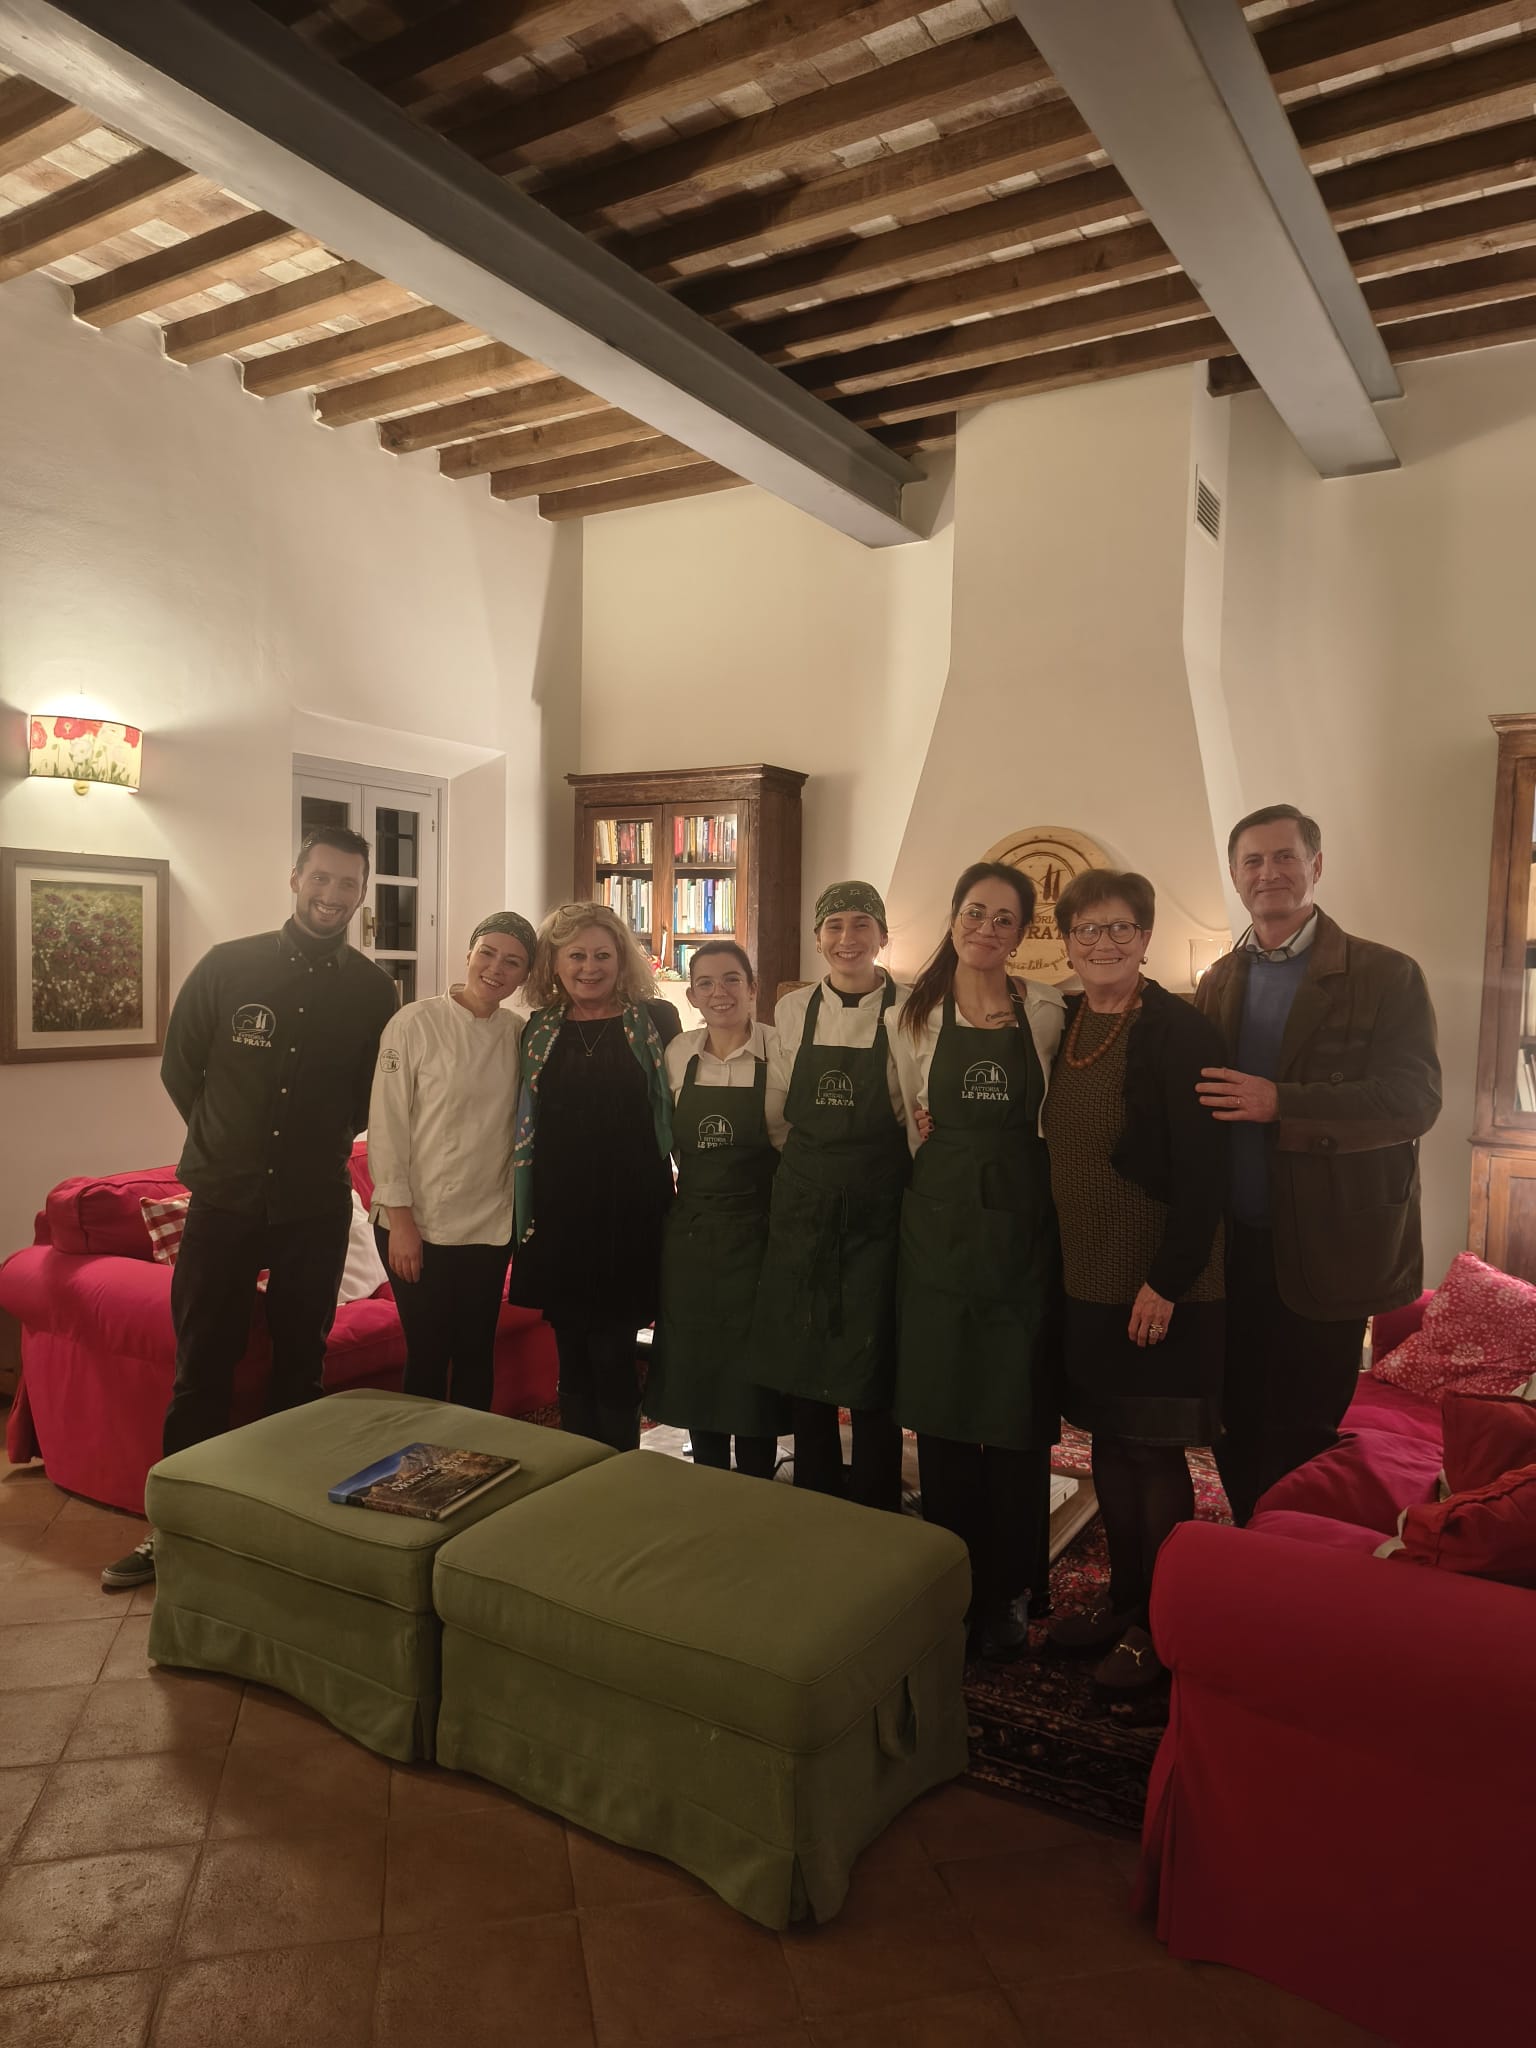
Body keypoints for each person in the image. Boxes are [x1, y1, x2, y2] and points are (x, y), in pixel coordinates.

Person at [102, 826, 397, 1591]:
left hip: (314, 1207)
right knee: (201, 1368)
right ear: (296, 876)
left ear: (361, 894)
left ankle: (276, 1529)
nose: (331, 895)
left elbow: (369, 1098)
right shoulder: (228, 966)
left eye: (348, 884)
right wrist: (228, 1141)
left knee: (300, 1372)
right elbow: (182, 1069)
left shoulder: (374, 993)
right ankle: (177, 1532)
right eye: (321, 878)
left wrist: (314, 1143)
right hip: (223, 1203)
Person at [1195, 804, 1441, 1525]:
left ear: (1316, 866)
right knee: (1231, 1414)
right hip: (1234, 1245)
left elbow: (1414, 1101)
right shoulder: (1218, 979)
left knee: (1303, 1427)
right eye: (1252, 860)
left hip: (1330, 1243)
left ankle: (1293, 1554)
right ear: (1235, 875)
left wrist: (1283, 1103)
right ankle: (1252, 1539)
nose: (1268, 872)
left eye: (1284, 857)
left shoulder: (1386, 974)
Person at [1041, 871, 1227, 1692]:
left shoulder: (1181, 1032)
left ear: (1146, 938)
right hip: (1087, 1273)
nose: (1104, 943)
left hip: (1161, 1280)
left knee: (1153, 1452)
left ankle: (1161, 1627)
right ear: (1068, 941)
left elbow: (1206, 1173)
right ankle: (1124, 1603)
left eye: (1121, 928)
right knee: (1110, 1444)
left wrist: (1167, 1283)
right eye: (1088, 929)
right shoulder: (1063, 1022)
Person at [892, 862, 1065, 1660]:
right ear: (954, 917)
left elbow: (1057, 1114)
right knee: (945, 1404)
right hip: (938, 1227)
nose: (986, 928)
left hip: (1021, 1230)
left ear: (1022, 933)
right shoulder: (912, 1013)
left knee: (1016, 1407)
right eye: (974, 911)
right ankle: (953, 1576)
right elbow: (906, 1111)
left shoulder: (1047, 1010)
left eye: (1003, 918)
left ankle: (1013, 1586)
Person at [752, 881, 910, 1513]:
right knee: (804, 1340)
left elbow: (915, 1100)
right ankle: (814, 1486)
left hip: (881, 1196)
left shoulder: (911, 1006)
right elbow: (779, 1106)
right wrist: (809, 1170)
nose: (848, 938)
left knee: (876, 1344)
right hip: (806, 1197)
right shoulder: (793, 1009)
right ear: (818, 938)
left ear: (882, 936)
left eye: (861, 924)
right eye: (835, 925)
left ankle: (876, 1493)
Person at [508, 902, 681, 1452]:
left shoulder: (656, 1021)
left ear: (621, 959)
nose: (589, 967)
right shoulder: (538, 1029)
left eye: (602, 955)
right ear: (554, 964)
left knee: (612, 1347)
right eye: (576, 956)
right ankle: (576, 1463)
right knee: (570, 1345)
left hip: (631, 1210)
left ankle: (618, 1466)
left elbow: (682, 1101)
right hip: (559, 1212)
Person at [366, 911, 536, 1411]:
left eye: (513, 962)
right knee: (427, 1353)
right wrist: (401, 1220)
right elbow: (388, 1126)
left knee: (476, 1353)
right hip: (416, 1222)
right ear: (468, 955)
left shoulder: (520, 1035)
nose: (496, 968)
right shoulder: (413, 1023)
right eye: (488, 953)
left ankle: (471, 1453)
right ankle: (417, 1457)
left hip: (489, 1225)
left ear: (525, 975)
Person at [646, 942, 788, 1478]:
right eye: (705, 983)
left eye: (731, 979)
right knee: (696, 1360)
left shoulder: (783, 1050)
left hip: (762, 1229)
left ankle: (757, 1478)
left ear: (752, 987)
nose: (719, 992)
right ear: (691, 996)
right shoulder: (677, 1054)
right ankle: (705, 1475)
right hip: (693, 1232)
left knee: (754, 1365)